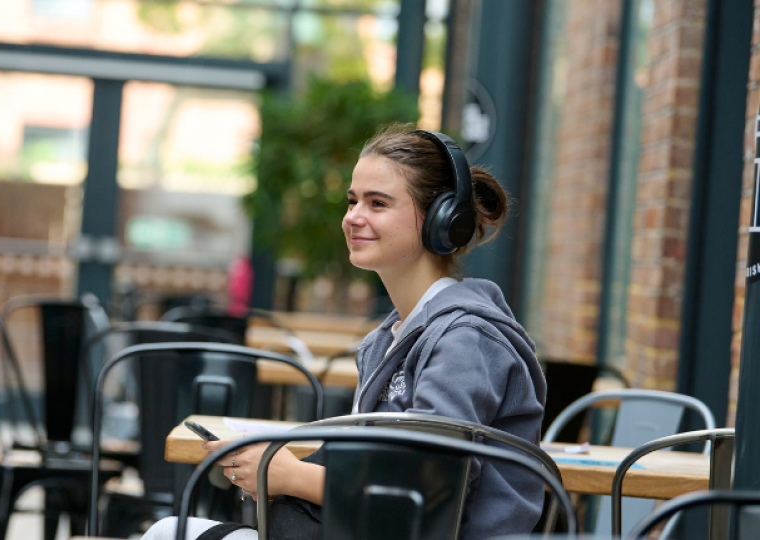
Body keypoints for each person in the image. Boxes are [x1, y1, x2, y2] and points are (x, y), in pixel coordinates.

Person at [142, 124, 546, 540]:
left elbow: (421, 493)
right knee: (168, 531)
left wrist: (289, 475)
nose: (354, 217)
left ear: (442, 220)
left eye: (378, 203)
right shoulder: (387, 339)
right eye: (353, 201)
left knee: (166, 534)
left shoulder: (466, 341)